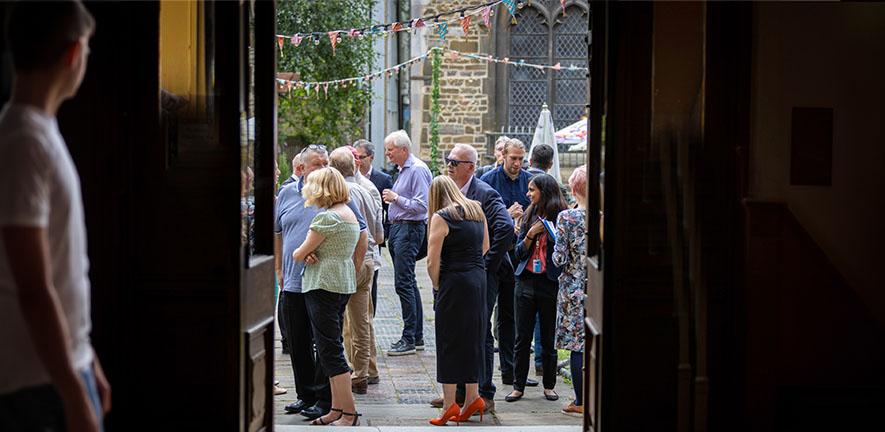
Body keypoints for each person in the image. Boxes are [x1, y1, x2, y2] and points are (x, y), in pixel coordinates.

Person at [0, 2, 110, 432]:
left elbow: (62, 273)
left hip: (63, 364)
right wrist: (72, 392)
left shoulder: (38, 132)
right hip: (37, 379)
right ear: (72, 55)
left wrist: (88, 361)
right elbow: (32, 285)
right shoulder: (24, 140)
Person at [274, 145, 368, 420]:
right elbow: (278, 231)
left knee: (326, 344)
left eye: (327, 163)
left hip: (322, 281)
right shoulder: (287, 193)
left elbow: (361, 234)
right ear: (301, 168)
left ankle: (327, 400)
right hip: (294, 278)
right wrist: (279, 267)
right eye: (319, 163)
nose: (325, 167)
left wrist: (349, 265)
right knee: (297, 339)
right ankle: (306, 396)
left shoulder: (337, 205)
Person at [428, 144, 514, 413]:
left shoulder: (484, 194)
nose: (449, 165)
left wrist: (483, 265)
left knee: (478, 333)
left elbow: (506, 228)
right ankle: (457, 393)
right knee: (456, 333)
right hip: (454, 275)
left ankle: (483, 393)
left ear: (471, 167)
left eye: (456, 162)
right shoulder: (447, 196)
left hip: (479, 276)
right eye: (448, 161)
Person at [293, 167, 364, 426]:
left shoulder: (326, 218)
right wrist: (311, 251)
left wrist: (305, 252)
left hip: (322, 284)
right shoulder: (348, 213)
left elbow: (297, 253)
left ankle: (349, 413)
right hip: (340, 282)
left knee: (330, 350)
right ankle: (336, 408)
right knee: (330, 347)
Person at [426, 176, 490, 426]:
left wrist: (437, 284)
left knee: (449, 340)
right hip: (478, 278)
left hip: (454, 281)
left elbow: (432, 260)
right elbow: (485, 246)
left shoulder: (441, 216)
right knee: (473, 338)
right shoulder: (476, 209)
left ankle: (449, 404)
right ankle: (473, 397)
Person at [505, 174, 567, 404]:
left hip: (549, 283)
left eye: (532, 190)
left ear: (545, 191)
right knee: (522, 338)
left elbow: (564, 253)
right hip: (525, 281)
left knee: (548, 338)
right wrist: (530, 234)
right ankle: (518, 386)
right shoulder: (529, 213)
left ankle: (549, 386)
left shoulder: (562, 216)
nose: (528, 194)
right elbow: (519, 253)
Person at [329, 148, 383, 394]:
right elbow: (380, 233)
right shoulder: (367, 189)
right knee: (362, 321)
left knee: (341, 322)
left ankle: (344, 373)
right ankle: (363, 373)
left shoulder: (342, 194)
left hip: (348, 260)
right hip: (369, 258)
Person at [382, 130, 432, 356]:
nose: (387, 154)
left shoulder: (418, 170)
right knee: (408, 282)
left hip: (410, 229)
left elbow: (422, 206)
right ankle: (417, 336)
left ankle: (409, 338)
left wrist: (396, 199)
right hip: (400, 229)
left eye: (390, 150)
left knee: (404, 283)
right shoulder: (404, 170)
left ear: (403, 149)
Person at [552, 165, 589, 416]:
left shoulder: (567, 217)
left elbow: (559, 258)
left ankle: (580, 399)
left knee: (576, 345)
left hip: (572, 288)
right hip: (596, 284)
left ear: (574, 189)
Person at [353, 139, 392, 318]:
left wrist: (383, 237)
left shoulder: (382, 179)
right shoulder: (348, 179)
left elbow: (387, 212)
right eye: (355, 157)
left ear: (371, 158)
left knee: (370, 287)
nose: (358, 161)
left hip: (372, 242)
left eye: (361, 157)